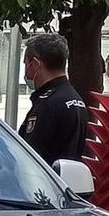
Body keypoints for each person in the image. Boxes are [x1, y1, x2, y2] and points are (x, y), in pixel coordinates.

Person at [18, 32, 90, 166]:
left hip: (46, 183)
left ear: (34, 64)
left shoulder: (48, 104)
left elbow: (30, 156)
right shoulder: (75, 99)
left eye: (25, 63)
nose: (26, 71)